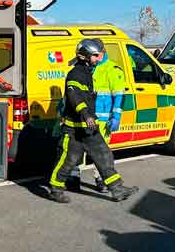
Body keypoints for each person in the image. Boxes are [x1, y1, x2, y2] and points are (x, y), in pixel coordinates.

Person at [47, 38, 139, 203]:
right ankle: (55, 189)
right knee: (68, 159)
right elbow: (73, 94)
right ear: (85, 56)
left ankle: (117, 188)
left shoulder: (88, 71)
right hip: (75, 128)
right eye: (95, 55)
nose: (99, 58)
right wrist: (86, 114)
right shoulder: (76, 73)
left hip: (88, 127)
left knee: (103, 154)